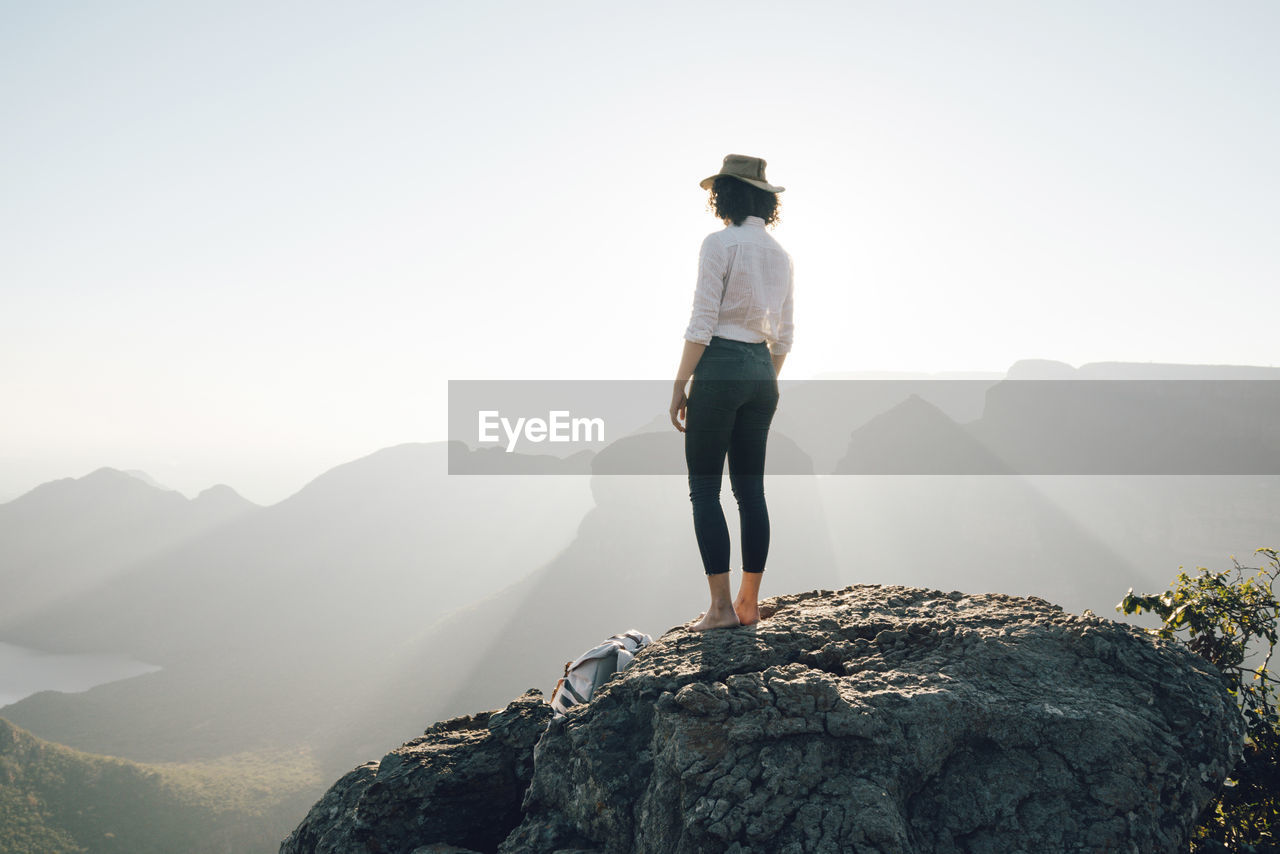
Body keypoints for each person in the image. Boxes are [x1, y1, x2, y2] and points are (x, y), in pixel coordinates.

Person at [668, 154, 794, 632]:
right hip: (763, 372)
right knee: (750, 492)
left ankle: (719, 610)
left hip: (719, 365)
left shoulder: (719, 244)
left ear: (724, 196)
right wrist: (762, 376)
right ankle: (749, 604)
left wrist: (681, 385)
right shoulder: (781, 256)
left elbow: (702, 322)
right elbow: (785, 335)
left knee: (705, 489)